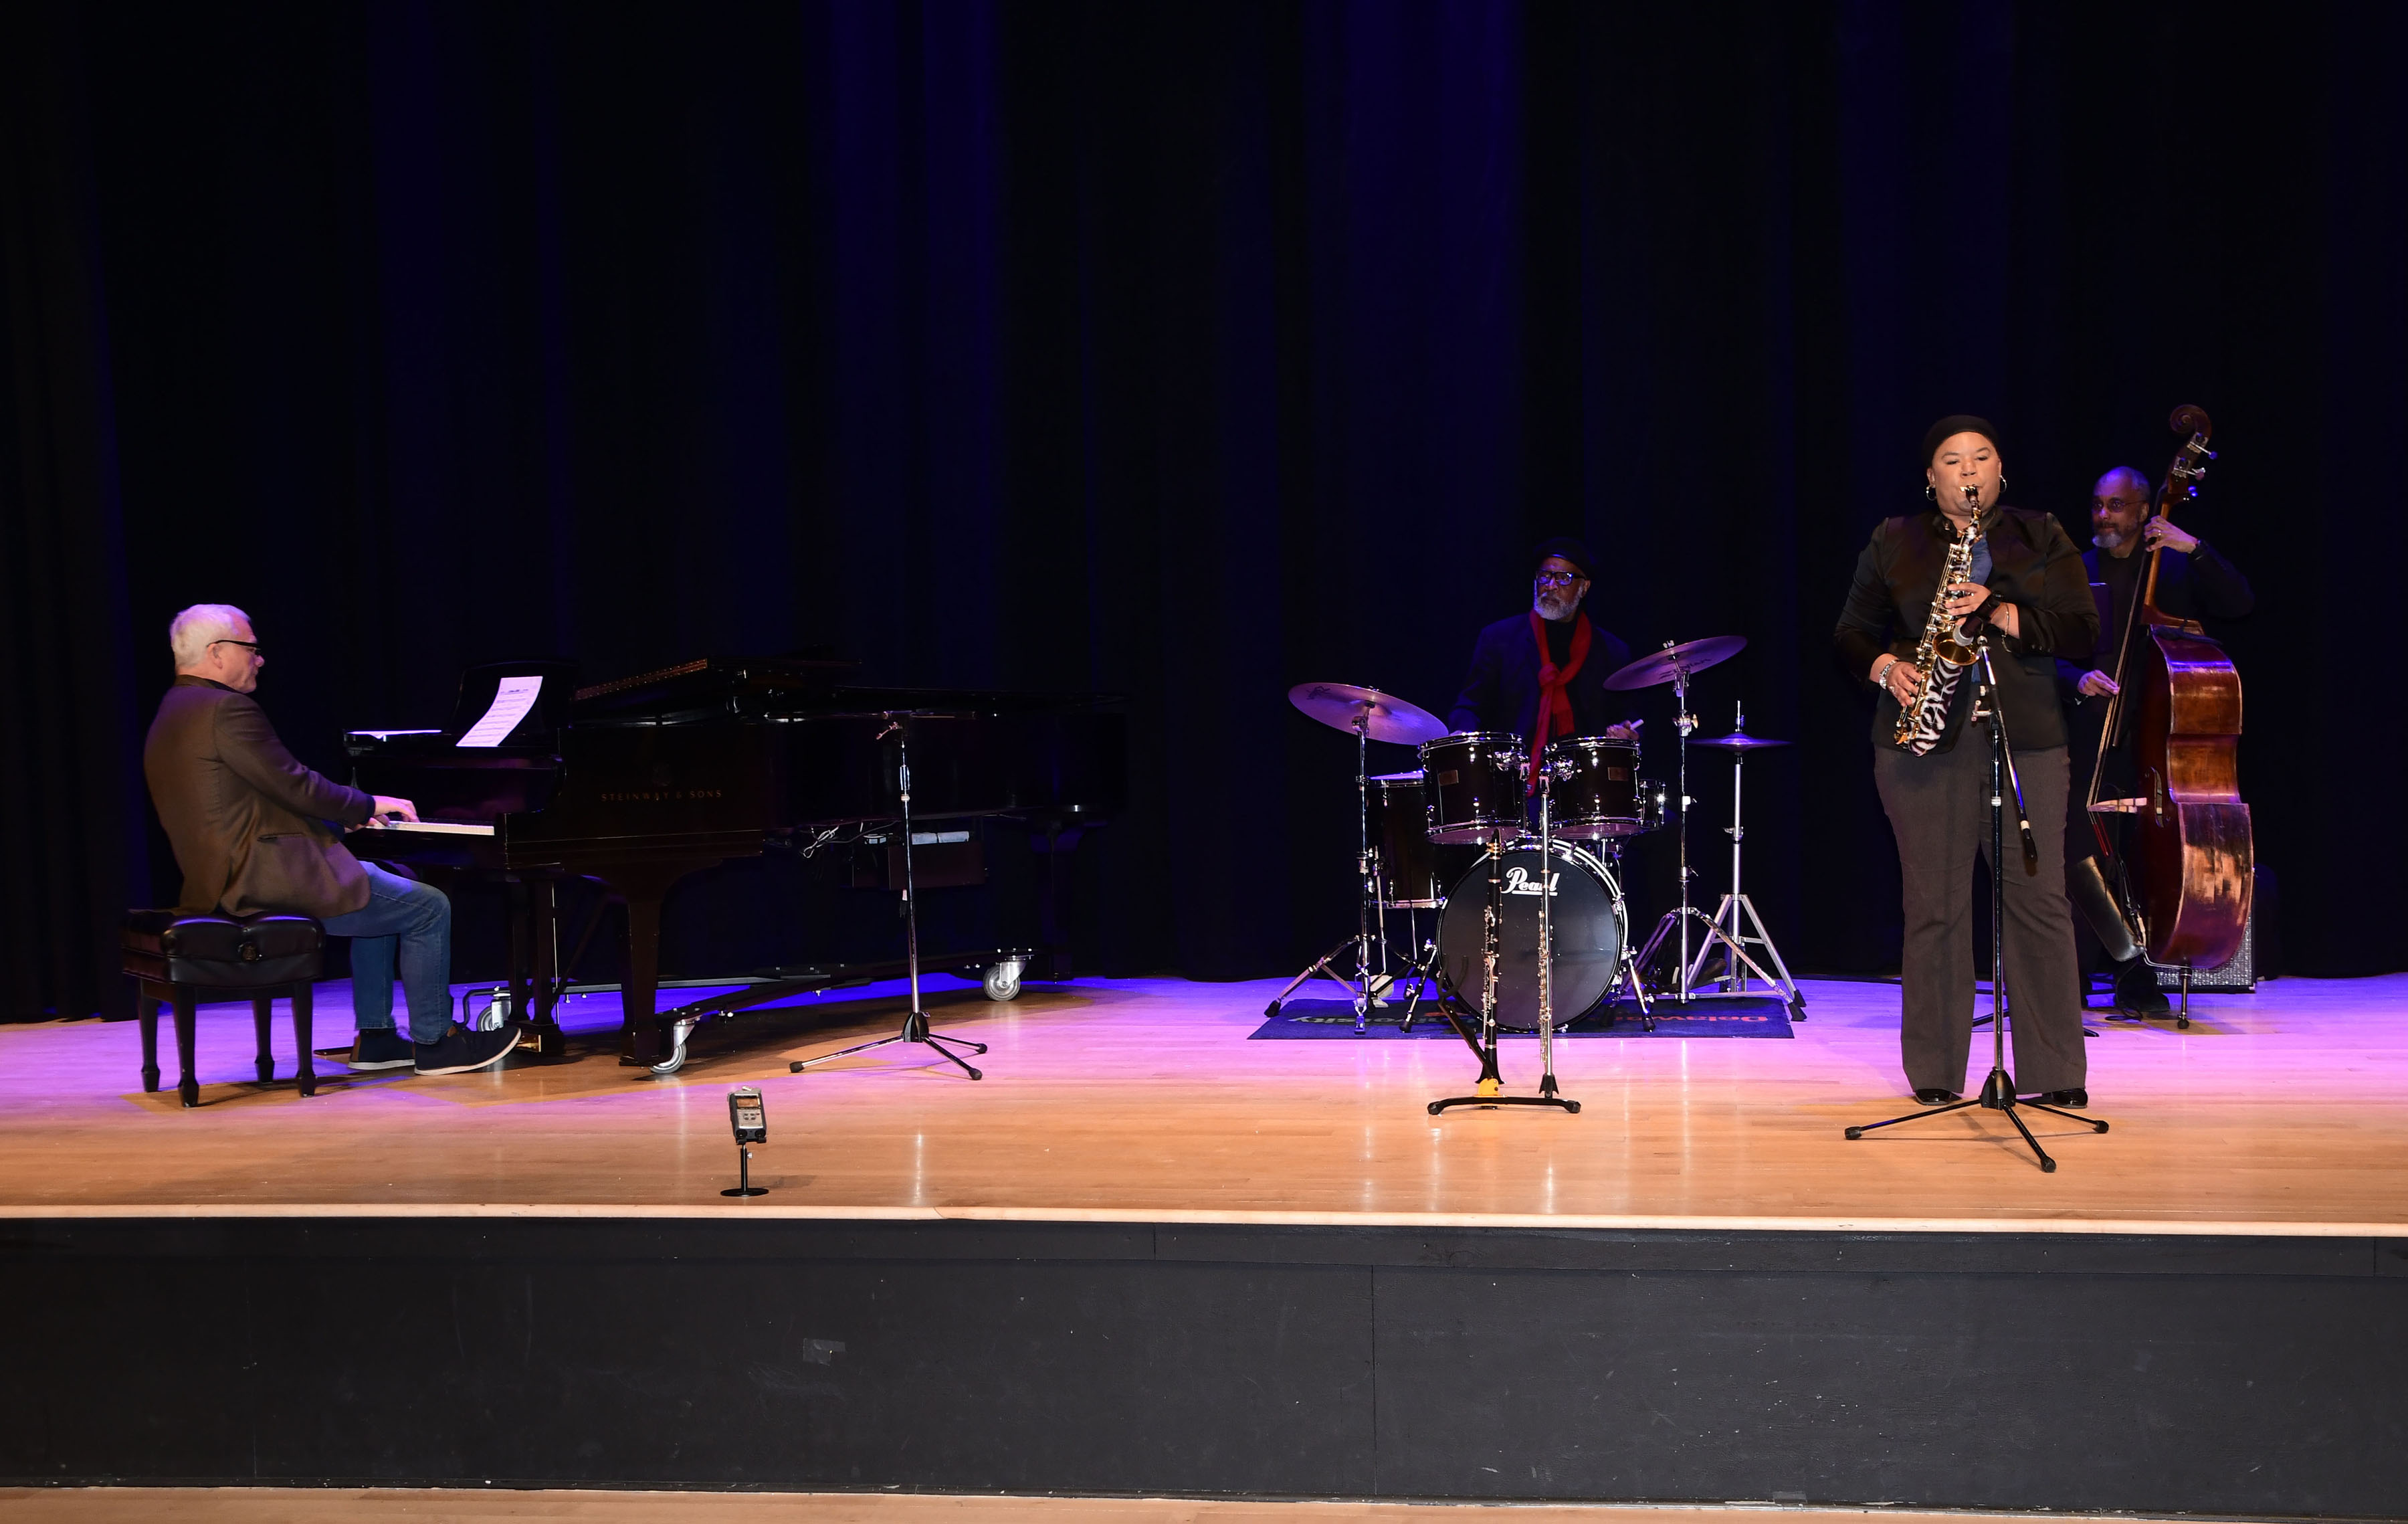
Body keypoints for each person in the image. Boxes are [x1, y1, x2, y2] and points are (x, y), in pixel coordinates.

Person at [1833, 417, 2100, 1107]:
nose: (1969, 469)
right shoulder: (1896, 539)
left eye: (1982, 457)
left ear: (1999, 469)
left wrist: (2004, 611)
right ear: (1932, 477)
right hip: (1920, 747)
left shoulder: (2039, 533)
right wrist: (1887, 664)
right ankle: (1934, 1073)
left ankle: (2054, 1072)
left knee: (2040, 904)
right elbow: (1850, 633)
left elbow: (2082, 630)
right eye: (1953, 461)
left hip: (2027, 739)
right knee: (1934, 907)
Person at [140, 604, 519, 1076]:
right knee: (429, 906)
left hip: (224, 874)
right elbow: (294, 784)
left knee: (385, 880)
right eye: (252, 650)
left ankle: (377, 1038)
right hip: (262, 877)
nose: (260, 660)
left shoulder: (174, 710)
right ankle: (436, 1041)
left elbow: (250, 804)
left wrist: (340, 825)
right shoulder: (226, 710)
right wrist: (365, 804)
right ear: (217, 653)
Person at [2058, 466, 2256, 1014]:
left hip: (2163, 741)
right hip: (2093, 731)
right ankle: (2074, 978)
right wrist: (2076, 678)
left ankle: (2142, 977)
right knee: (2082, 853)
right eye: (2098, 504)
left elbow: (2240, 602)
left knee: (2149, 858)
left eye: (2117, 505)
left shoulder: (2173, 563)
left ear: (2145, 509)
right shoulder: (2079, 570)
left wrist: (2191, 546)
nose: (2104, 515)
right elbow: (2036, 652)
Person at [1445, 537, 1640, 759]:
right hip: (1512, 778)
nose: (1550, 586)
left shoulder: (1612, 651)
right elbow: (1469, 706)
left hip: (1585, 779)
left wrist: (1627, 731)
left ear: (1584, 587)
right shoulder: (1499, 638)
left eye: (1564, 578)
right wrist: (1463, 733)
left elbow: (1629, 716)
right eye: (1544, 576)